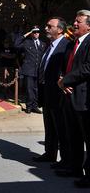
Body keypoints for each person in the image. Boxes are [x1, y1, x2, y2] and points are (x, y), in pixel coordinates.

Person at [58, 10, 90, 188]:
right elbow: (68, 66)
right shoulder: (74, 43)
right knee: (74, 136)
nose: (75, 24)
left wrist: (66, 80)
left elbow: (87, 67)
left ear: (89, 26)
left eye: (79, 22)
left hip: (84, 98)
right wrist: (62, 79)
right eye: (74, 21)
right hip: (70, 95)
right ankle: (74, 167)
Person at [34, 17, 70, 167]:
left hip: (58, 94)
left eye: (50, 26)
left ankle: (66, 160)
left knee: (61, 127)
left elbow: (68, 67)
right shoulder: (49, 46)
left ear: (60, 29)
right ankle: (50, 153)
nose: (46, 28)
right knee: (49, 125)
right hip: (46, 92)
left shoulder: (66, 45)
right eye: (46, 25)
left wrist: (65, 81)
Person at [14, 25, 45, 114]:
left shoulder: (43, 44)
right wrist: (26, 34)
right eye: (34, 32)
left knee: (37, 89)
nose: (36, 34)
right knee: (29, 89)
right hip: (29, 70)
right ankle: (29, 106)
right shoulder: (27, 42)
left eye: (37, 32)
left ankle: (35, 106)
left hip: (39, 70)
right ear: (31, 33)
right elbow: (16, 44)